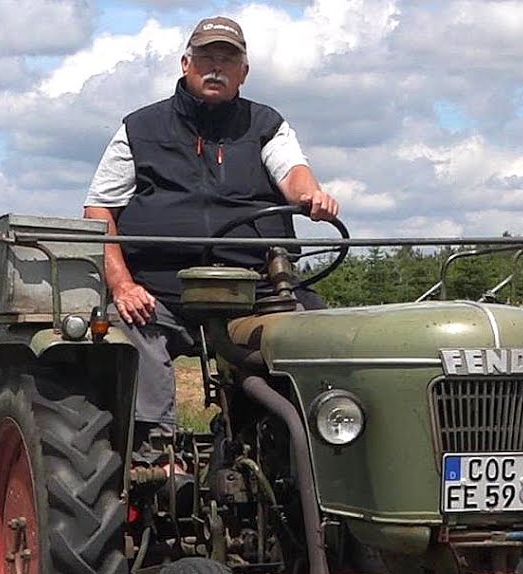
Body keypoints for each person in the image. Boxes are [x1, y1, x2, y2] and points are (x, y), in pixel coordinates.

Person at [82, 15, 341, 466]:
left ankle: (323, 443)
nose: (216, 68)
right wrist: (123, 285)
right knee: (128, 329)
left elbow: (293, 172)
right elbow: (99, 209)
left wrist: (310, 196)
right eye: (206, 58)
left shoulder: (266, 125)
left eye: (227, 59)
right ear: (186, 64)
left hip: (255, 289)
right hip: (162, 292)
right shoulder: (140, 128)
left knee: (324, 336)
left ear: (244, 71)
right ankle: (155, 456)